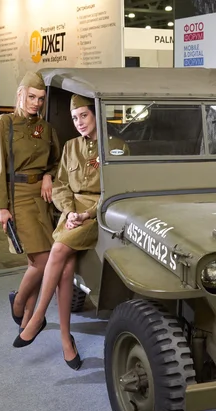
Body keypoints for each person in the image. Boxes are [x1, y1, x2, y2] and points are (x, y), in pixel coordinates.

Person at [12, 94, 129, 370]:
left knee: (59, 248)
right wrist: (68, 212)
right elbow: (62, 185)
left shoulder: (117, 147)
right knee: (64, 269)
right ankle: (66, 340)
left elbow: (118, 189)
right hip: (72, 212)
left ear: (96, 115)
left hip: (99, 213)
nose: (79, 123)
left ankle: (38, 316)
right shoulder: (70, 147)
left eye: (84, 116)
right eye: (75, 118)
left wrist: (87, 213)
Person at [0, 71, 61, 335]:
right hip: (17, 197)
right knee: (43, 260)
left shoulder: (46, 128)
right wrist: (2, 206)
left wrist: (49, 175)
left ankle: (29, 320)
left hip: (41, 198)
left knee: (37, 261)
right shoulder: (4, 123)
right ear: (20, 94)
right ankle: (18, 304)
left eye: (40, 99)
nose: (36, 103)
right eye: (31, 97)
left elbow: (55, 159)